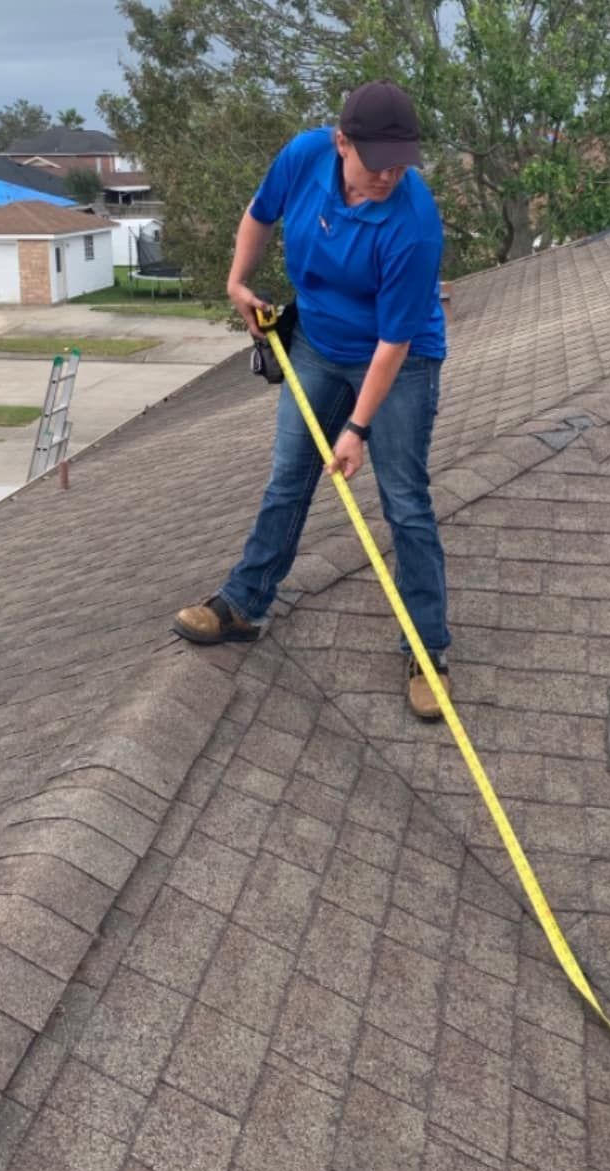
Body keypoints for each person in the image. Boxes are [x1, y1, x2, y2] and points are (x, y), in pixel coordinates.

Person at [173, 80, 451, 720]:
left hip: (398, 362)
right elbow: (259, 213)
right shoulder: (302, 158)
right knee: (287, 478)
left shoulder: (414, 223)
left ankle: (427, 647)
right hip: (319, 348)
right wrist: (237, 281)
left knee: (405, 502)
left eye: (401, 161)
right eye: (376, 160)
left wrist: (357, 428)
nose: (389, 174)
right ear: (341, 142)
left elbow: (394, 344)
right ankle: (244, 604)